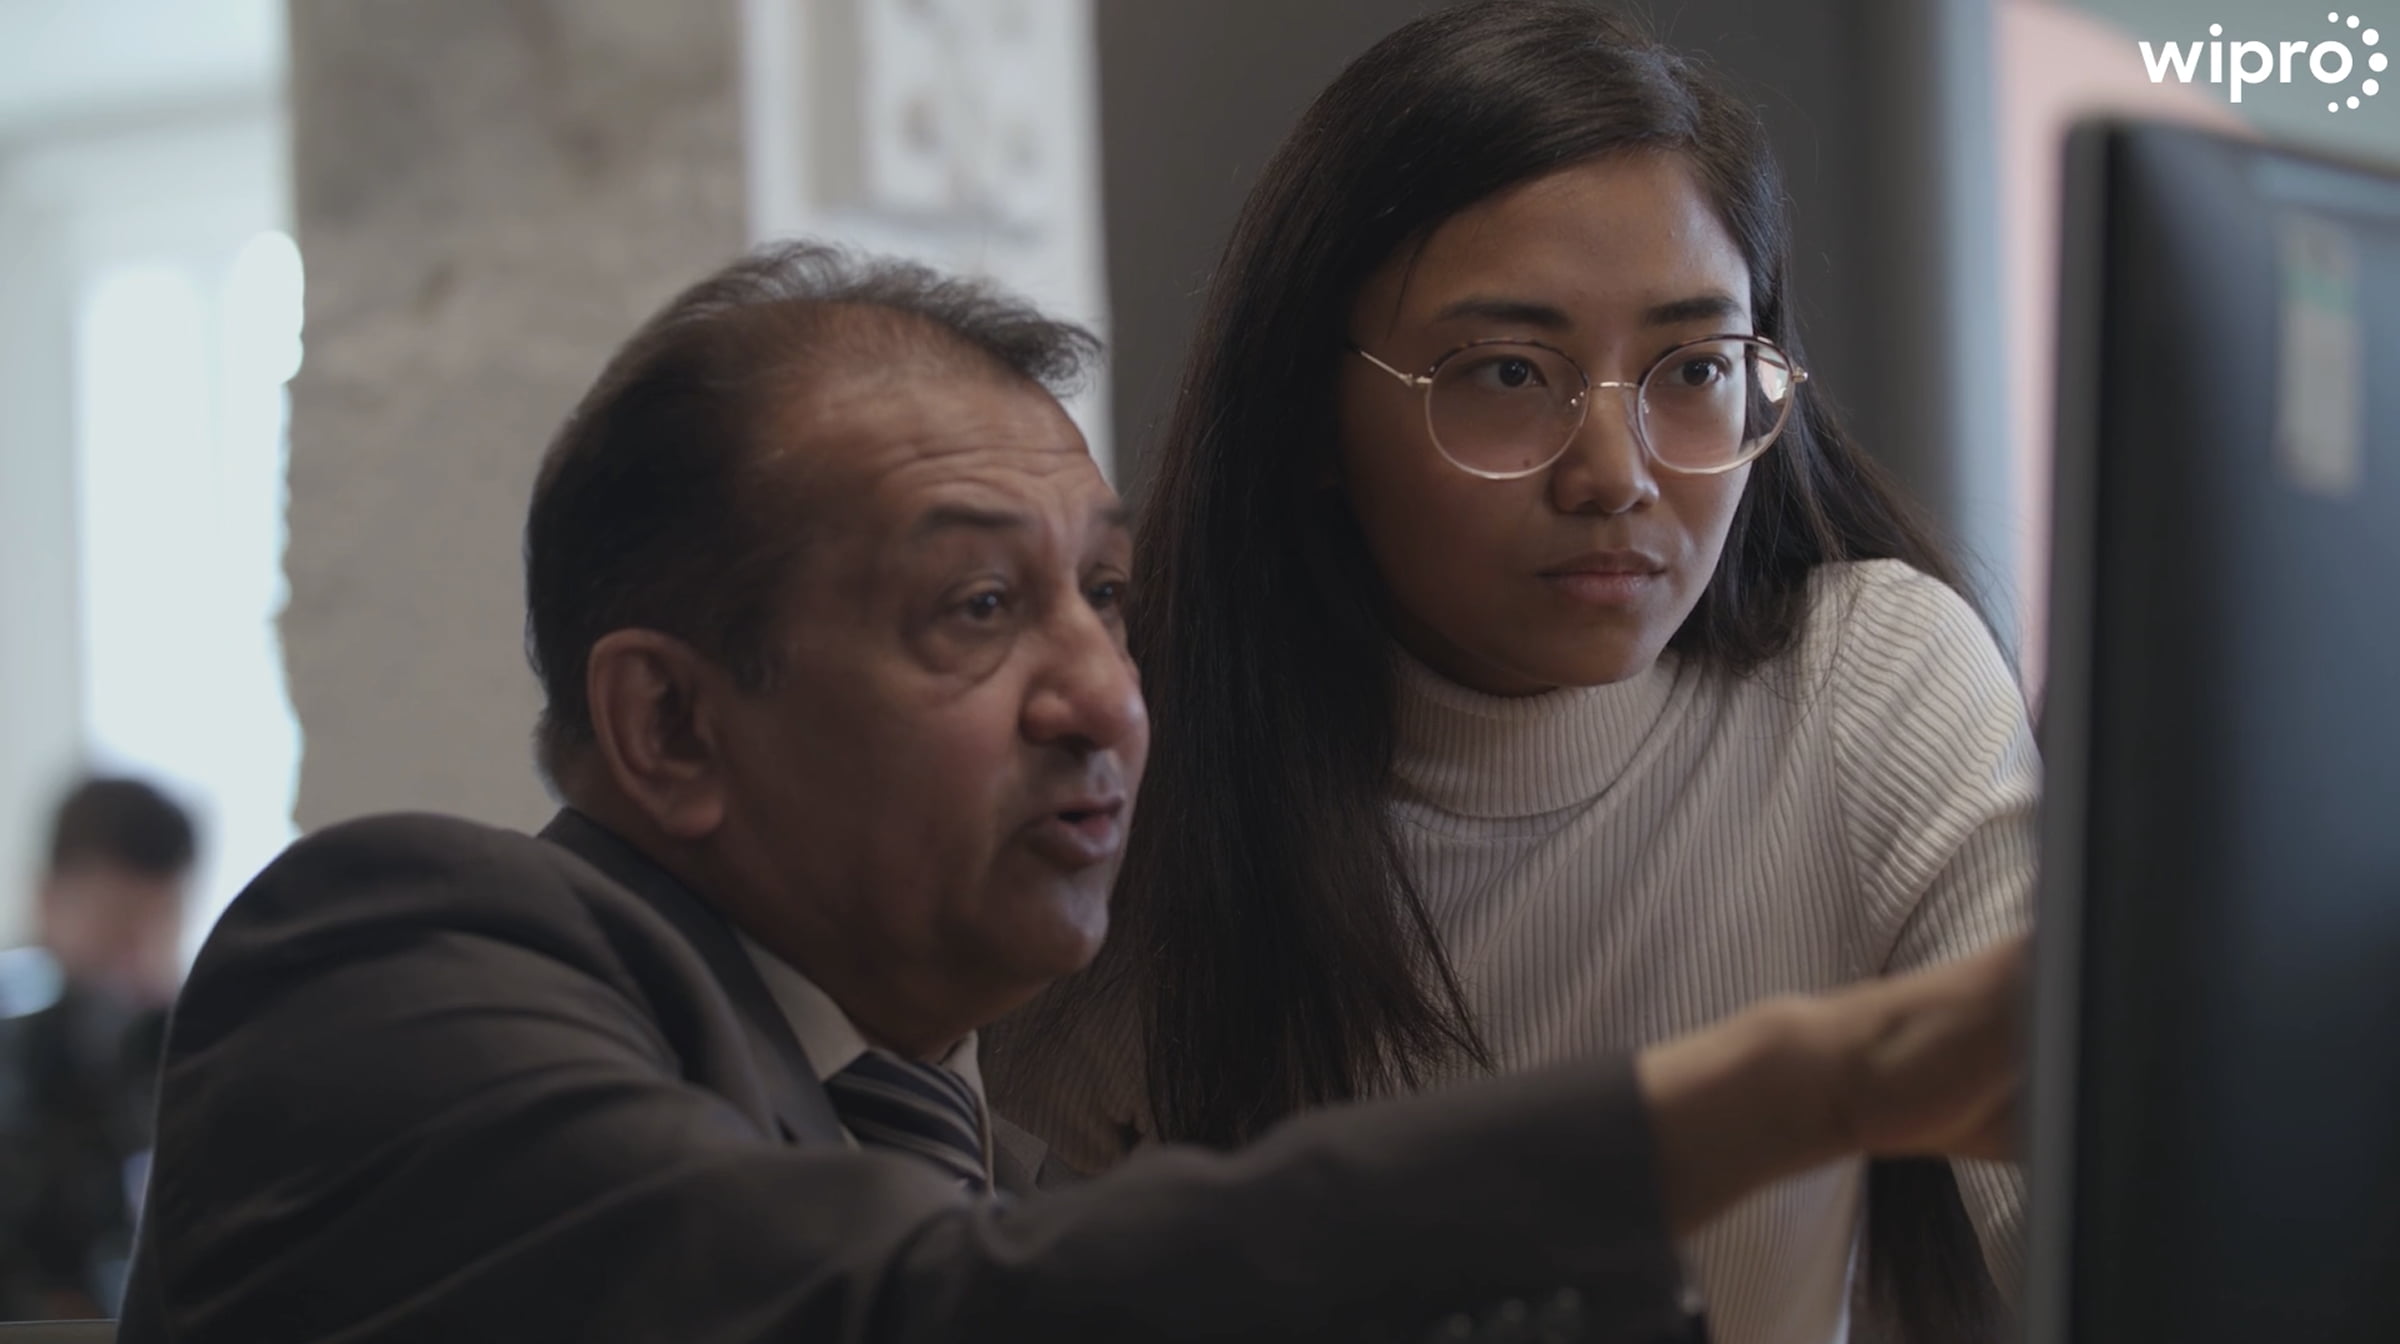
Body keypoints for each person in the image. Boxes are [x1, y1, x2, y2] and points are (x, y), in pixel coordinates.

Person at [118, 242, 2025, 1343]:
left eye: (1104, 599)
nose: (1103, 693)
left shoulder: (994, 1154)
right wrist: (1803, 1084)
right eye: (975, 606)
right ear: (670, 730)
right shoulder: (392, 961)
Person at [983, 6, 2036, 1344]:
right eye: (1506, 372)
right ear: (1312, 410)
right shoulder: (1146, 788)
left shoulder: (1865, 686)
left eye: (1697, 367)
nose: (1616, 474)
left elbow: (2093, 1191)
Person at [1, 776, 195, 1321]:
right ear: (48, 900)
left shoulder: (185, 1055)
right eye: (116, 919)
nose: (137, 951)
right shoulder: (20, 1044)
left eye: (162, 919)